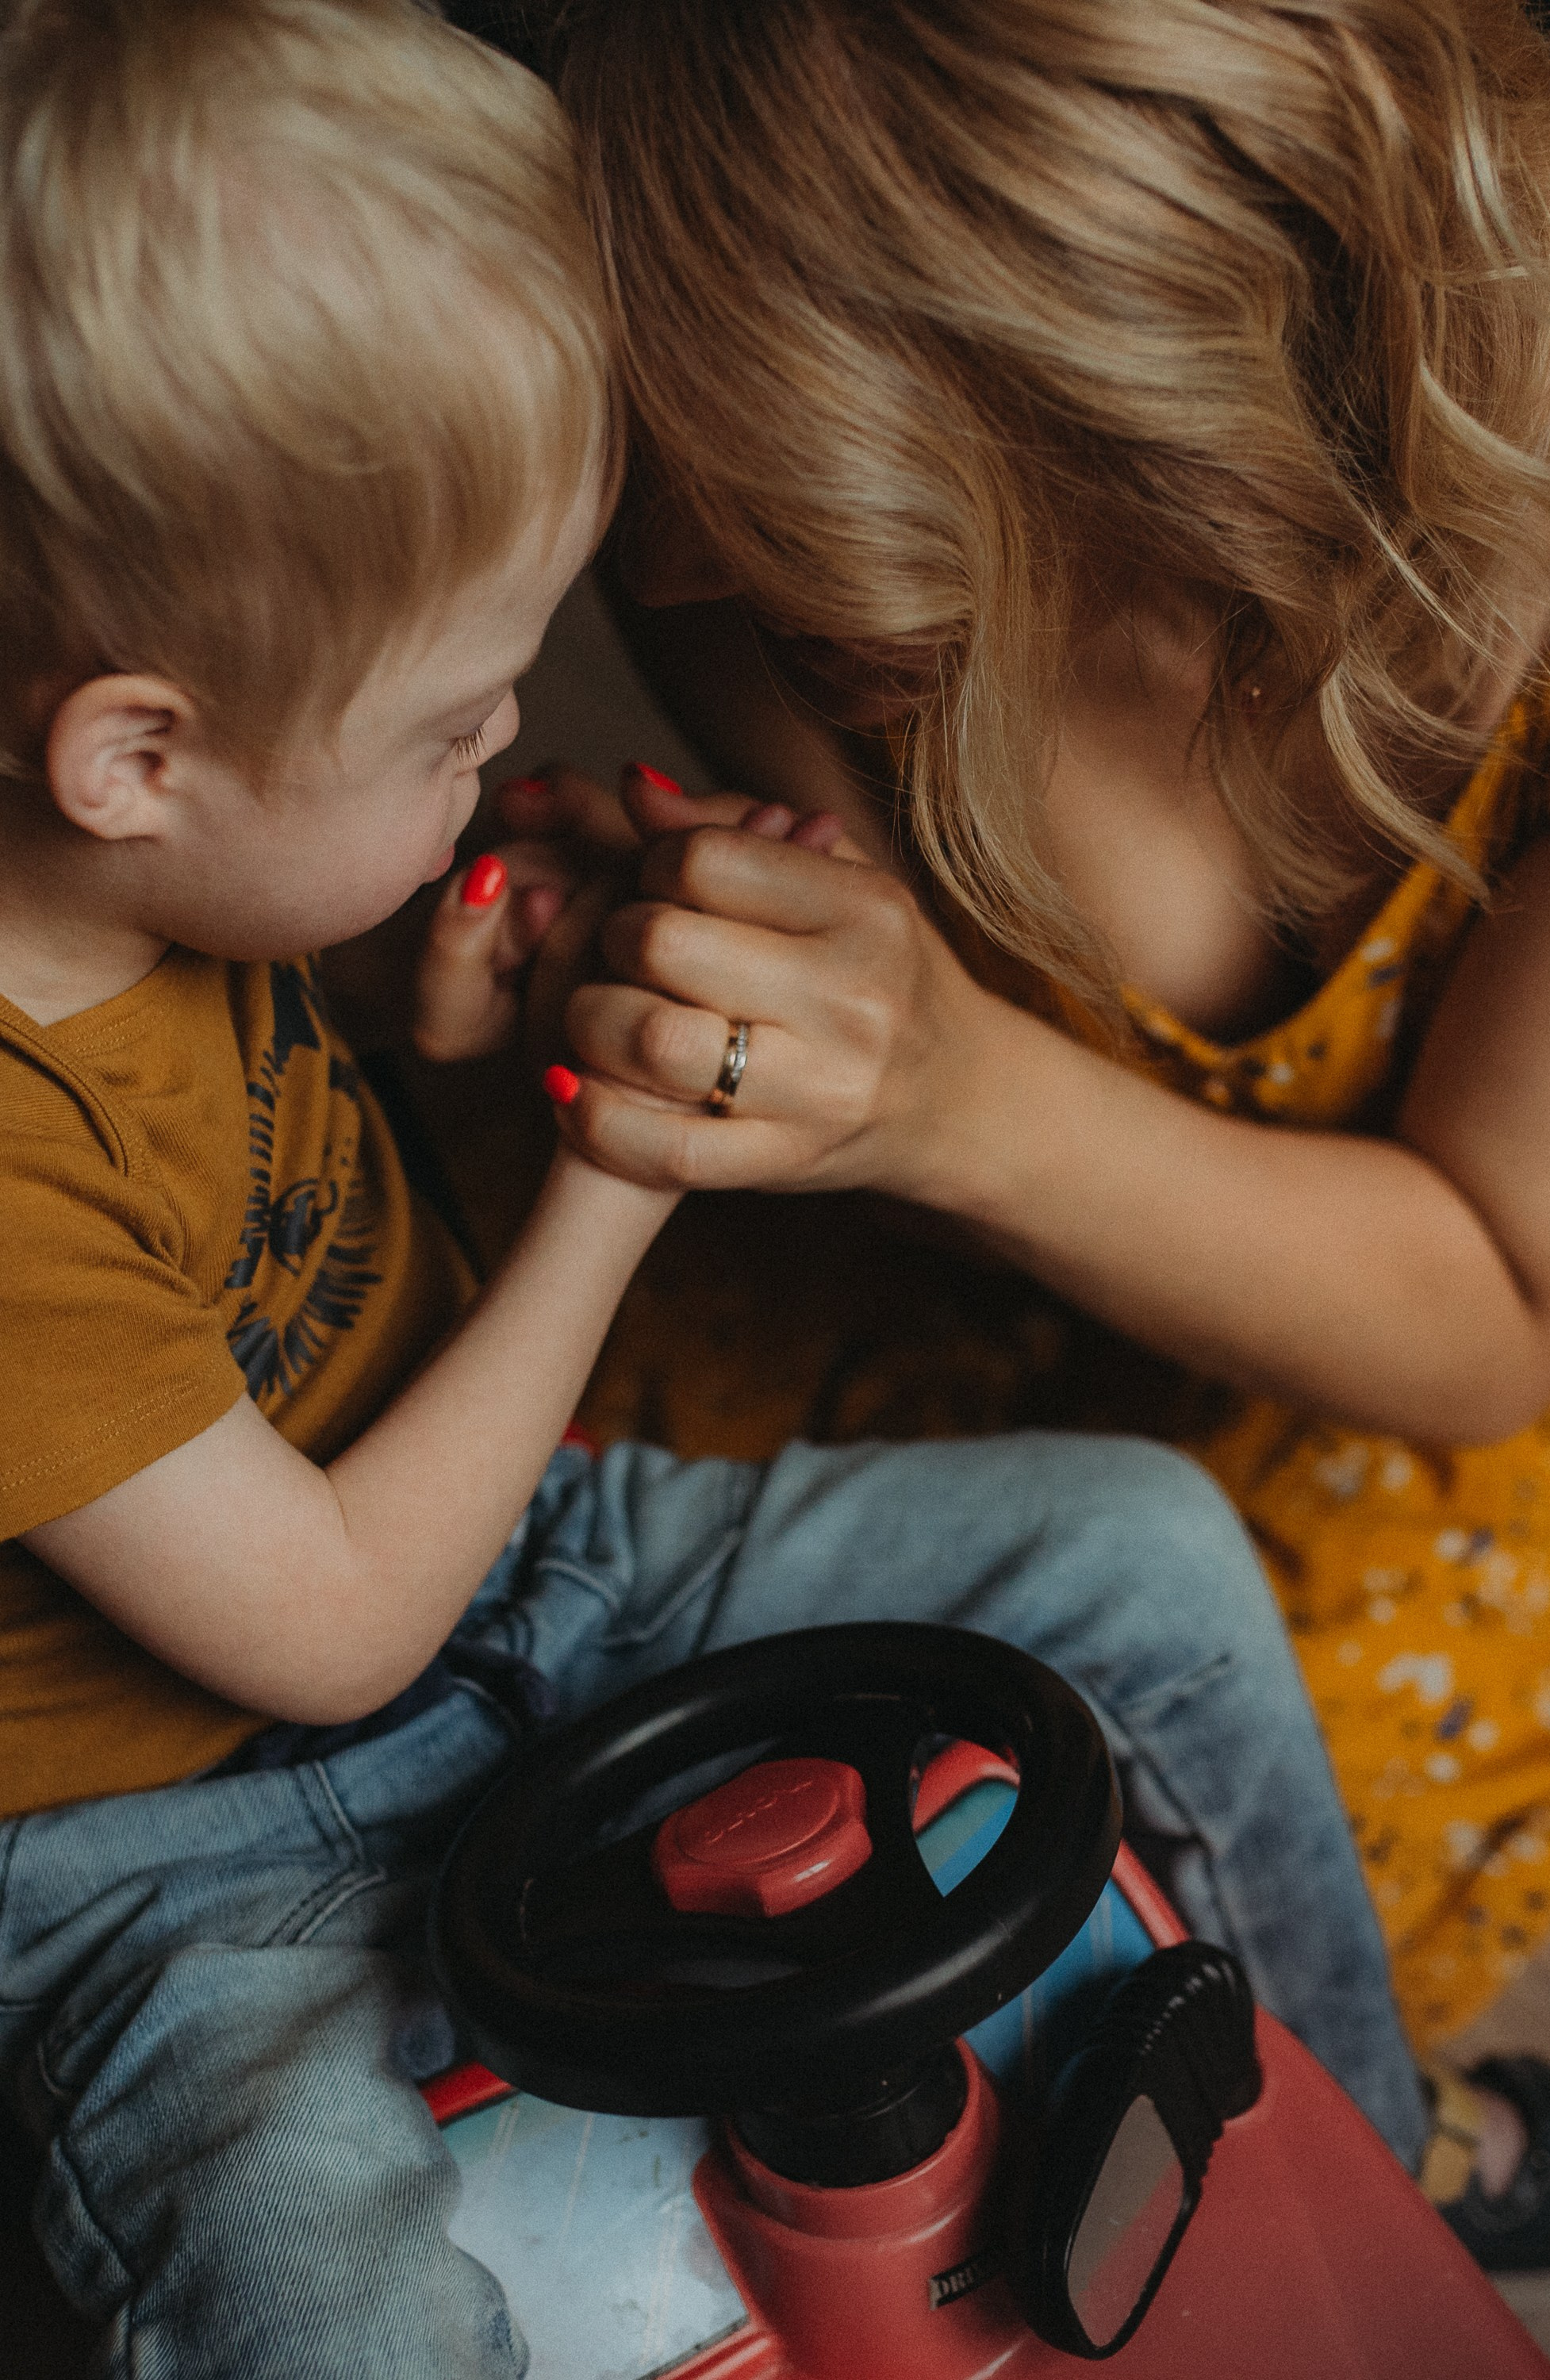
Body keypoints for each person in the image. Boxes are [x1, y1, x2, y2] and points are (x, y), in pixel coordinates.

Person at [0, 3, 1425, 2373]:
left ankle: (1350, 2193)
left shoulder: (139, 875)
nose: (505, 742)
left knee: (1142, 1551)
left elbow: (244, 1076)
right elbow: (332, 1627)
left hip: (535, 1569)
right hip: (172, 1856)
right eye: (453, 719)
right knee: (305, 2289)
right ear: (134, 754)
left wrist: (442, 986)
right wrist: (612, 1176)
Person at [436, 0, 1550, 2274]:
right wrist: (689, 961)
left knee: (1202, 1863)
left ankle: (1390, 2153)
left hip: (1383, 1356)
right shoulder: (743, 550)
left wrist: (948, 1092)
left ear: (1115, 382)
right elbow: (864, 977)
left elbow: (1495, 1320)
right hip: (944, 1268)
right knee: (635, 1751)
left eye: (755, 496)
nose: (663, 578)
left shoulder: (1546, 568)